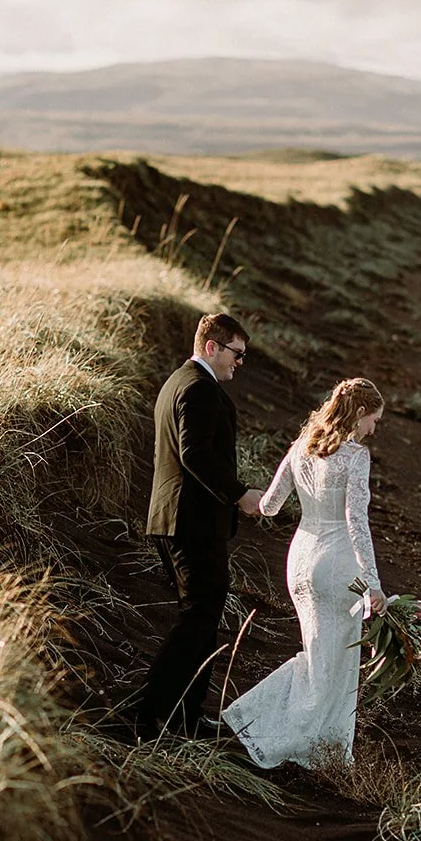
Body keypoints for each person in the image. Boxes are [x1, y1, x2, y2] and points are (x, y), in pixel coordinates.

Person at [221, 378, 387, 768]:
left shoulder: (301, 448)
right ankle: (291, 741)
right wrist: (374, 585)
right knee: (334, 664)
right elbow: (357, 524)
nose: (373, 430)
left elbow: (270, 506)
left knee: (317, 656)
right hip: (336, 566)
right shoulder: (355, 457)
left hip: (299, 563)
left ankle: (308, 743)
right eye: (373, 421)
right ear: (360, 413)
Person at [134, 312, 262, 738]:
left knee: (200, 618)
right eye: (236, 354)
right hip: (190, 522)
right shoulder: (198, 389)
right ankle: (148, 713)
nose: (239, 364)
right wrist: (240, 493)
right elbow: (195, 455)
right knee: (198, 618)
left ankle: (185, 716)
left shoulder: (178, 381)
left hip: (178, 519)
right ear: (212, 346)